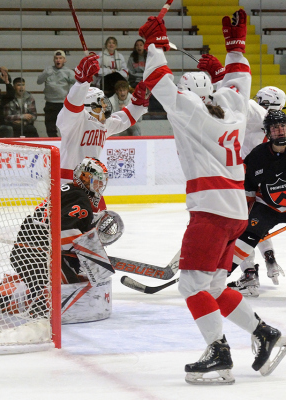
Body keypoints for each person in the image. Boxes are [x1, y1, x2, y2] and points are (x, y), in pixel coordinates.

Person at [139, 10, 286, 385]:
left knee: (191, 285)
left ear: (192, 93)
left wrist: (155, 46)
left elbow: (159, 83)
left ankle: (219, 354)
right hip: (236, 208)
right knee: (216, 286)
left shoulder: (188, 110)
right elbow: (239, 81)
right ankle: (265, 334)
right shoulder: (235, 108)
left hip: (210, 210)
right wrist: (235, 46)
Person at [198, 56, 285, 293]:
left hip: (242, 181)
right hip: (265, 187)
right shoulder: (274, 125)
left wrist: (218, 75)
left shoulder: (259, 116)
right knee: (255, 225)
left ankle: (249, 273)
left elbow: (237, 102)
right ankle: (269, 258)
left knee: (242, 228)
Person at [0, 157, 119, 314]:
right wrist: (93, 253)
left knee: (47, 290)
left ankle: (5, 296)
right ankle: (9, 300)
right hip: (39, 253)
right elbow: (67, 231)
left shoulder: (65, 189)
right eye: (97, 180)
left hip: (24, 252)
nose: (100, 185)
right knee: (64, 294)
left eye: (102, 181)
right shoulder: (81, 199)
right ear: (84, 178)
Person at [56, 53, 150, 195]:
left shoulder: (104, 124)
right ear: (89, 106)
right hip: (67, 183)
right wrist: (82, 83)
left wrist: (138, 103)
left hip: (91, 183)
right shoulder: (76, 120)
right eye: (101, 103)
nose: (106, 107)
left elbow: (124, 119)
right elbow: (71, 108)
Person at [226, 110, 286, 297]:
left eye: (283, 126)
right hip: (269, 208)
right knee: (246, 236)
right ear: (267, 132)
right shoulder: (257, 155)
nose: (280, 131)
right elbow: (249, 188)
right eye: (275, 128)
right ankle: (219, 276)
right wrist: (244, 214)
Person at [37, 50, 75, 137]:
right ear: (54, 60)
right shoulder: (48, 70)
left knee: (65, 128)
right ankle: (54, 144)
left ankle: (65, 145)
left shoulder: (68, 72)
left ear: (64, 60)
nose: (58, 60)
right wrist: (46, 74)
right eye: (56, 58)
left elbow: (77, 81)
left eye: (60, 58)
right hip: (50, 103)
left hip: (63, 104)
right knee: (50, 128)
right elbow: (39, 81)